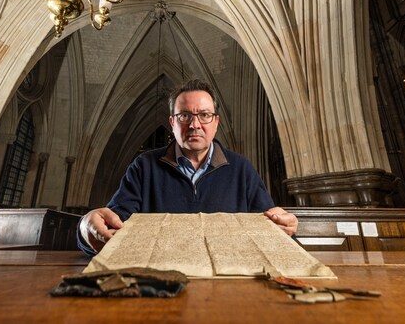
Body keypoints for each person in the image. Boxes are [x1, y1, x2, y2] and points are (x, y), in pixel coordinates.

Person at [78, 79, 298, 255]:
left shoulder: (241, 169)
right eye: (184, 116)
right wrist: (85, 229)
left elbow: (273, 232)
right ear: (173, 123)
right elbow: (109, 228)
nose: (194, 125)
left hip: (227, 288)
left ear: (216, 122)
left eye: (204, 115)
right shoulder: (144, 166)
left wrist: (286, 229)